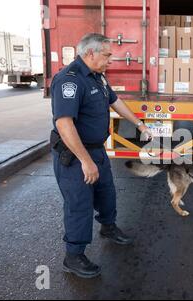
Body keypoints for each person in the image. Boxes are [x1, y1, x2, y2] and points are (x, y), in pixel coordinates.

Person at [50, 33, 152, 279]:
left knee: (107, 193)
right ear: (90, 53)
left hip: (97, 150)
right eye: (107, 55)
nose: (111, 60)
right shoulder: (69, 80)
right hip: (76, 154)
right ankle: (73, 256)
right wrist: (85, 161)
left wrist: (140, 125)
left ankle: (108, 227)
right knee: (79, 205)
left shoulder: (98, 77)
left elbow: (115, 102)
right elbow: (64, 124)